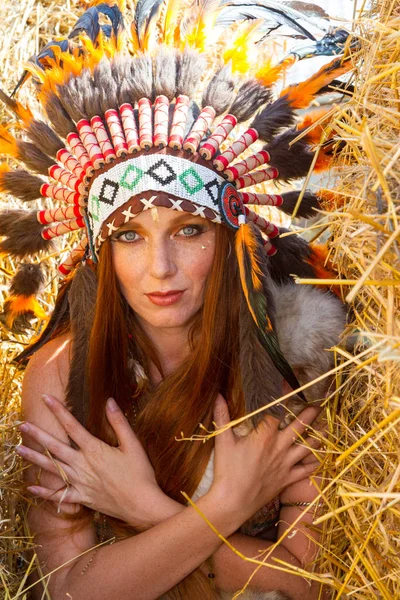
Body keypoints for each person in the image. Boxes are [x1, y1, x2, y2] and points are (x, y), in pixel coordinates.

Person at [0, 1, 351, 598]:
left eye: (188, 230)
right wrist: (227, 507)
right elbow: (68, 586)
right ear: (99, 253)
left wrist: (143, 508)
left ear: (230, 235)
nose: (160, 269)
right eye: (129, 237)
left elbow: (311, 582)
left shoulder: (295, 350)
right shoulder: (61, 375)